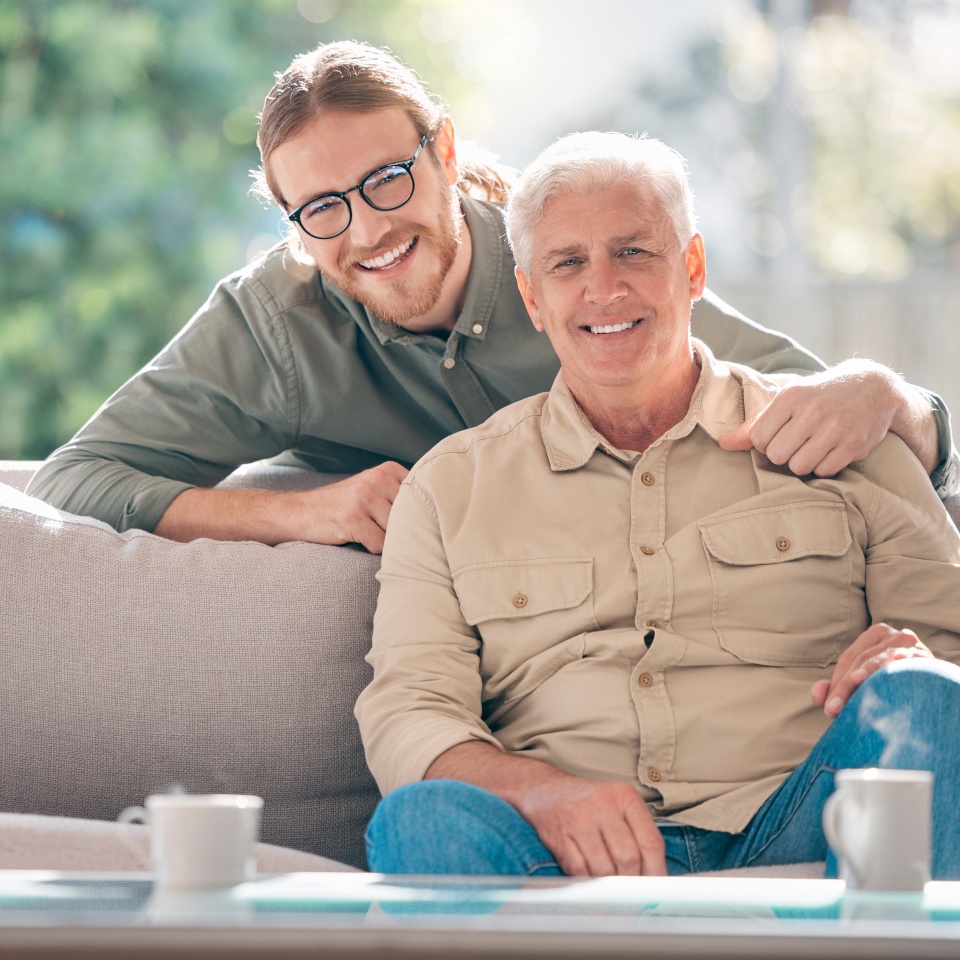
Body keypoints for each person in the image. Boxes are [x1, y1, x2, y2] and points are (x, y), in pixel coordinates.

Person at [26, 42, 957, 553]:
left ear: (445, 153)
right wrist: (302, 512)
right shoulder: (277, 327)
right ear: (289, 219)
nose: (366, 231)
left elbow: (824, 403)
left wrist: (891, 395)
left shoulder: (574, 265)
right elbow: (77, 480)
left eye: (389, 177)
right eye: (319, 208)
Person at [354, 131, 960, 878]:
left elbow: (944, 667)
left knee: (931, 700)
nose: (604, 288)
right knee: (421, 821)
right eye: (568, 263)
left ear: (693, 267)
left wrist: (916, 664)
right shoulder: (449, 487)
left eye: (634, 252)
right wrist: (542, 794)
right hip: (563, 860)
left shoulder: (841, 436)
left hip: (805, 825)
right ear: (532, 298)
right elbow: (409, 713)